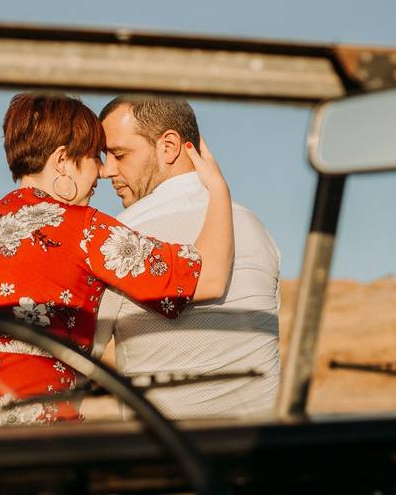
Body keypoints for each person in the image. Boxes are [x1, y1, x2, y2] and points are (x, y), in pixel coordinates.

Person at [0, 92, 234, 429]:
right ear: (63, 161)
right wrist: (218, 189)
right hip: (15, 422)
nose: (101, 172)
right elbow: (209, 279)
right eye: (93, 157)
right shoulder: (81, 228)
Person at [93, 96, 281, 419]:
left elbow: (76, 361)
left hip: (171, 456)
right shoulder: (257, 230)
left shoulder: (119, 237)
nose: (106, 170)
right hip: (264, 452)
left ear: (168, 146)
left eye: (119, 154)